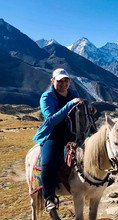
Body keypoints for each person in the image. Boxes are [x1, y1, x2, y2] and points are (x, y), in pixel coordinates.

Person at [33, 68, 82, 217]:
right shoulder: (46, 97)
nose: (63, 84)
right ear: (52, 81)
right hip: (52, 135)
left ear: (69, 81)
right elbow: (51, 120)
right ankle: (49, 197)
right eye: (59, 81)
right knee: (48, 163)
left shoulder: (73, 93)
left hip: (71, 133)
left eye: (66, 80)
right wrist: (69, 105)